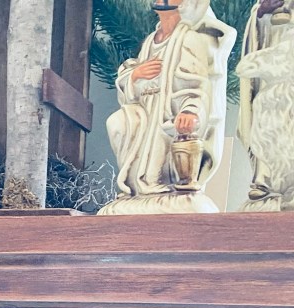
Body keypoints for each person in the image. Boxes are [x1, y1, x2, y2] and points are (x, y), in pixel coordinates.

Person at [99, 0, 235, 215]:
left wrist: (190, 110)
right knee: (117, 122)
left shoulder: (189, 38)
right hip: (146, 110)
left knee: (164, 133)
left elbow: (198, 83)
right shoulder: (150, 41)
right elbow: (135, 79)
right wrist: (135, 75)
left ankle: (160, 184)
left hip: (170, 112)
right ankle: (136, 187)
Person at [237, 0, 294, 209]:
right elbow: (256, 30)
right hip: (273, 75)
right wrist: (261, 13)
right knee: (267, 116)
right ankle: (265, 179)